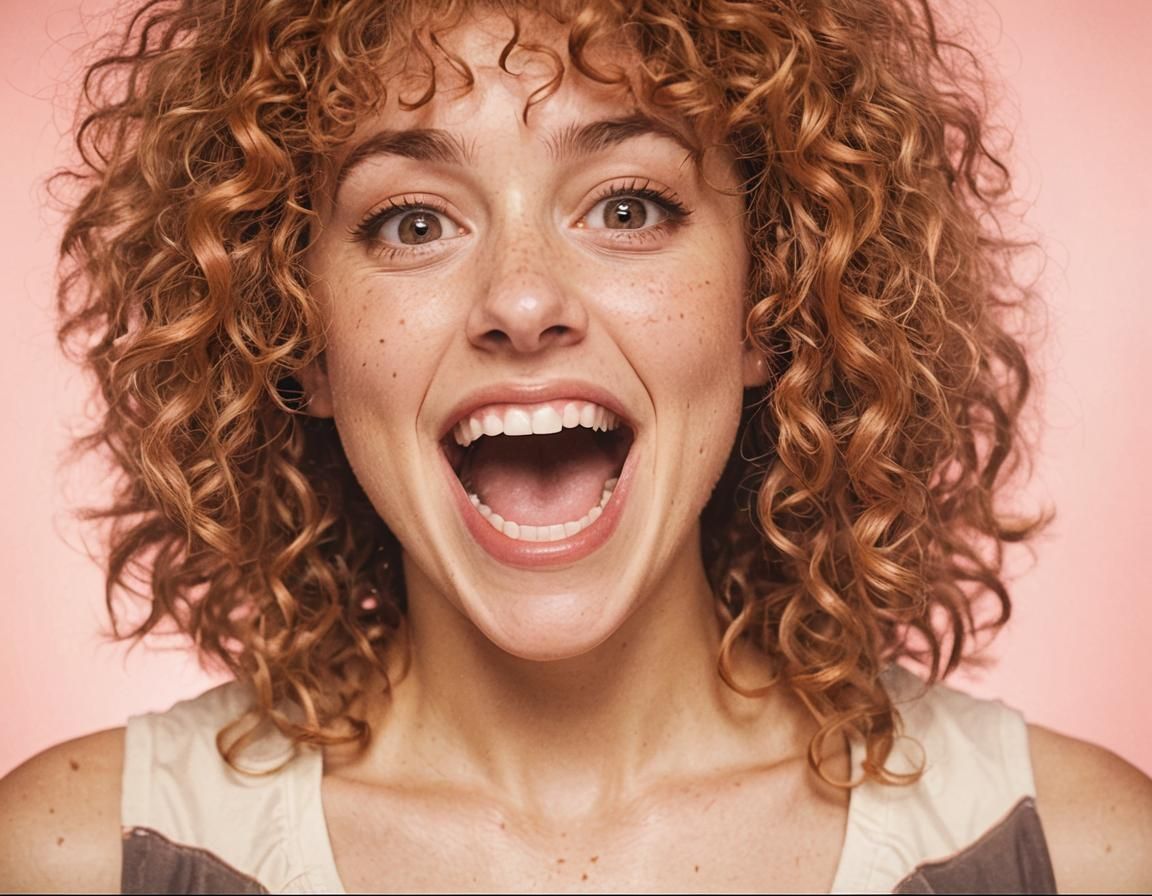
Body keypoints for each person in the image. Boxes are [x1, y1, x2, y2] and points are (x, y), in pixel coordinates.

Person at [2, 0, 1150, 892]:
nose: (522, 297)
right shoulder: (77, 856)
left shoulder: (1084, 852)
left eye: (628, 205)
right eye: (412, 221)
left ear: (774, 295)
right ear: (294, 333)